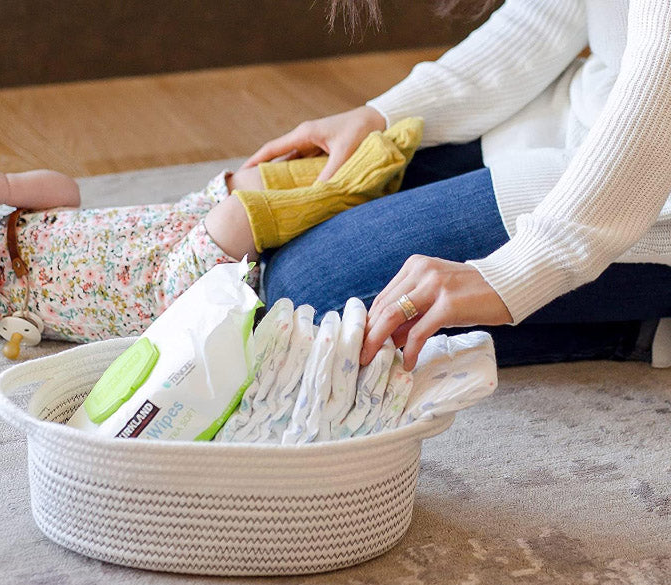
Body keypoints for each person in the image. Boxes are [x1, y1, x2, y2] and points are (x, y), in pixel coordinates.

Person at [244, 0, 671, 371]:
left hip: (653, 175)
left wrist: (517, 273)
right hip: (596, 112)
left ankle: (636, 324)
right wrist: (384, 116)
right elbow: (548, 13)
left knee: (304, 304)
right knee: (261, 214)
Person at [0, 118, 422, 347]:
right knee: (236, 217)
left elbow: (67, 193)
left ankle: (337, 165)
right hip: (165, 292)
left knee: (239, 182)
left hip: (169, 224)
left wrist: (8, 184)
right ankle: (358, 187)